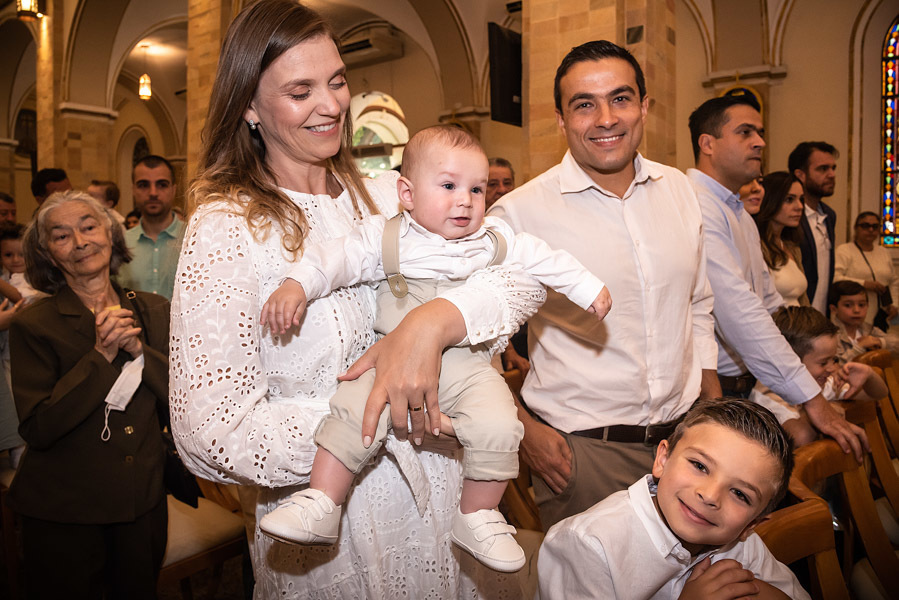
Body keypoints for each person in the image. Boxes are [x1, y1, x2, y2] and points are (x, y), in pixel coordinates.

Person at [168, 2, 546, 597]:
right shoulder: (226, 227)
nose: (331, 105)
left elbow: (519, 274)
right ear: (248, 106)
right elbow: (211, 434)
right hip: (331, 538)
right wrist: (390, 419)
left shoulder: (383, 196)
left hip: (450, 502)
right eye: (300, 90)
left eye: (337, 80)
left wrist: (436, 322)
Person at [257, 125, 609, 571]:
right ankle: (323, 501)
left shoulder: (493, 239)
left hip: (470, 364)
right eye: (448, 186)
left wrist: (587, 287)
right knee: (354, 408)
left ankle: (478, 516)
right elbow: (334, 258)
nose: (465, 200)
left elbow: (544, 259)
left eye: (476, 189)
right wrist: (296, 284)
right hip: (393, 359)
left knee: (500, 423)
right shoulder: (385, 237)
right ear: (406, 192)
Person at [490, 40, 719, 530]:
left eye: (620, 98)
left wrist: (708, 393)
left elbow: (697, 302)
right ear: (561, 119)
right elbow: (469, 343)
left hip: (684, 445)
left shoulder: (678, 189)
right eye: (584, 104)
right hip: (584, 454)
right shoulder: (521, 213)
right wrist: (522, 430)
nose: (606, 118)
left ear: (644, 107)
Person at [687, 93, 868, 462]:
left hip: (748, 380)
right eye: (745, 132)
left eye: (760, 132)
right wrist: (811, 399)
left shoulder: (736, 211)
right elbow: (737, 311)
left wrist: (821, 360)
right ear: (708, 143)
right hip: (712, 388)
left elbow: (770, 307)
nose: (760, 142)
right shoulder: (695, 205)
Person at [8, 190, 170, 598]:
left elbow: (182, 399)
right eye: (61, 236)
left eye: (88, 227)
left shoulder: (152, 309)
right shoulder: (35, 325)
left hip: (141, 502)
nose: (80, 242)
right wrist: (101, 355)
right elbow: (40, 427)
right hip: (65, 511)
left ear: (112, 235)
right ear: (46, 254)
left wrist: (138, 351)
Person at [538, 397, 810, 600]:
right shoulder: (589, 545)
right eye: (700, 466)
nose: (710, 495)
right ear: (662, 459)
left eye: (740, 494)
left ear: (751, 525)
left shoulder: (744, 544)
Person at [750, 306, 887, 447]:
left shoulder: (820, 381)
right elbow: (800, 437)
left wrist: (869, 375)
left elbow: (878, 394)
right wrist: (823, 410)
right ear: (790, 361)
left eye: (834, 360)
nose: (832, 368)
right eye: (823, 362)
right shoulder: (768, 395)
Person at [116, 155, 185, 300]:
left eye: (162, 184)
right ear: (133, 190)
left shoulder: (192, 239)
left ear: (173, 190)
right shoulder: (120, 244)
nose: (153, 193)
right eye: (143, 185)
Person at [790, 141, 838, 314]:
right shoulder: (790, 217)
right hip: (796, 316)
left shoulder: (829, 215)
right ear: (800, 175)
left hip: (820, 315)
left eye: (833, 168)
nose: (832, 174)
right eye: (823, 169)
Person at [834, 211, 899, 330]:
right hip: (853, 314)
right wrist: (864, 284)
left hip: (881, 315)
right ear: (856, 228)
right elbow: (836, 278)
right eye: (865, 226)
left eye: (875, 226)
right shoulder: (844, 251)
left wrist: (894, 304)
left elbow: (893, 281)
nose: (870, 230)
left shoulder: (883, 252)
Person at [753, 171, 808, 307]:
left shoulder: (792, 247)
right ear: (771, 201)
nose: (799, 207)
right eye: (789, 199)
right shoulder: (755, 246)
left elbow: (804, 301)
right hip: (771, 325)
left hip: (798, 325)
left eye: (801, 199)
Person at [828, 280, 886, 362]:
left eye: (861, 305)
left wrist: (880, 342)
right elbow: (833, 366)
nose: (856, 310)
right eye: (848, 305)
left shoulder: (869, 329)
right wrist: (859, 347)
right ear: (834, 309)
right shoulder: (829, 335)